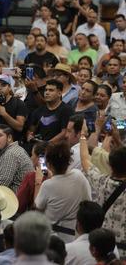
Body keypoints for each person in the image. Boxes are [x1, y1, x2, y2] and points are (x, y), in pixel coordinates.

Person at [79, 120, 126, 257]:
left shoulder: (102, 182)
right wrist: (118, 140)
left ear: (110, 166)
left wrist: (83, 135)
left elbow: (85, 160)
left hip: (105, 246)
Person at [34, 141, 92, 239]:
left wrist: (38, 182)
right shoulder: (79, 176)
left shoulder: (47, 185)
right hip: (75, 235)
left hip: (52, 238)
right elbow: (88, 201)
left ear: (48, 164)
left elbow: (37, 209)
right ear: (69, 160)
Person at [28, 79, 74, 143]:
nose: (47, 93)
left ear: (59, 93)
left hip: (56, 148)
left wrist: (47, 144)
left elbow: (64, 132)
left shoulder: (66, 110)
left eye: (51, 90)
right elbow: (31, 130)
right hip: (37, 147)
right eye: (46, 90)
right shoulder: (38, 110)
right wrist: (30, 135)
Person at [0, 124, 34, 193]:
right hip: (18, 196)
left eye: (0, 135)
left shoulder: (11, 153)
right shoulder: (14, 149)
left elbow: (3, 183)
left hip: (16, 199)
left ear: (9, 137)